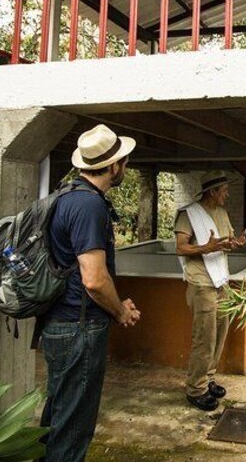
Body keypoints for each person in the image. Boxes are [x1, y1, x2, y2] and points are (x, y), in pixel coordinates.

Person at [39, 124, 142, 462]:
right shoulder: (88, 206)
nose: (124, 166)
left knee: (58, 416)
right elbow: (94, 280)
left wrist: (116, 302)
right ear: (113, 166)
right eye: (122, 161)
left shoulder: (66, 196)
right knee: (73, 426)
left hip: (61, 321)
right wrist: (120, 311)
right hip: (78, 327)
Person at [174, 171, 246, 411]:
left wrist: (235, 244)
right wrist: (205, 247)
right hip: (201, 283)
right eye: (224, 190)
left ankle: (209, 378)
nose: (227, 194)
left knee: (219, 333)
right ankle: (195, 388)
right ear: (212, 192)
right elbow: (180, 248)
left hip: (221, 280)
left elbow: (224, 243)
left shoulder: (222, 213)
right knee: (204, 338)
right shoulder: (189, 214)